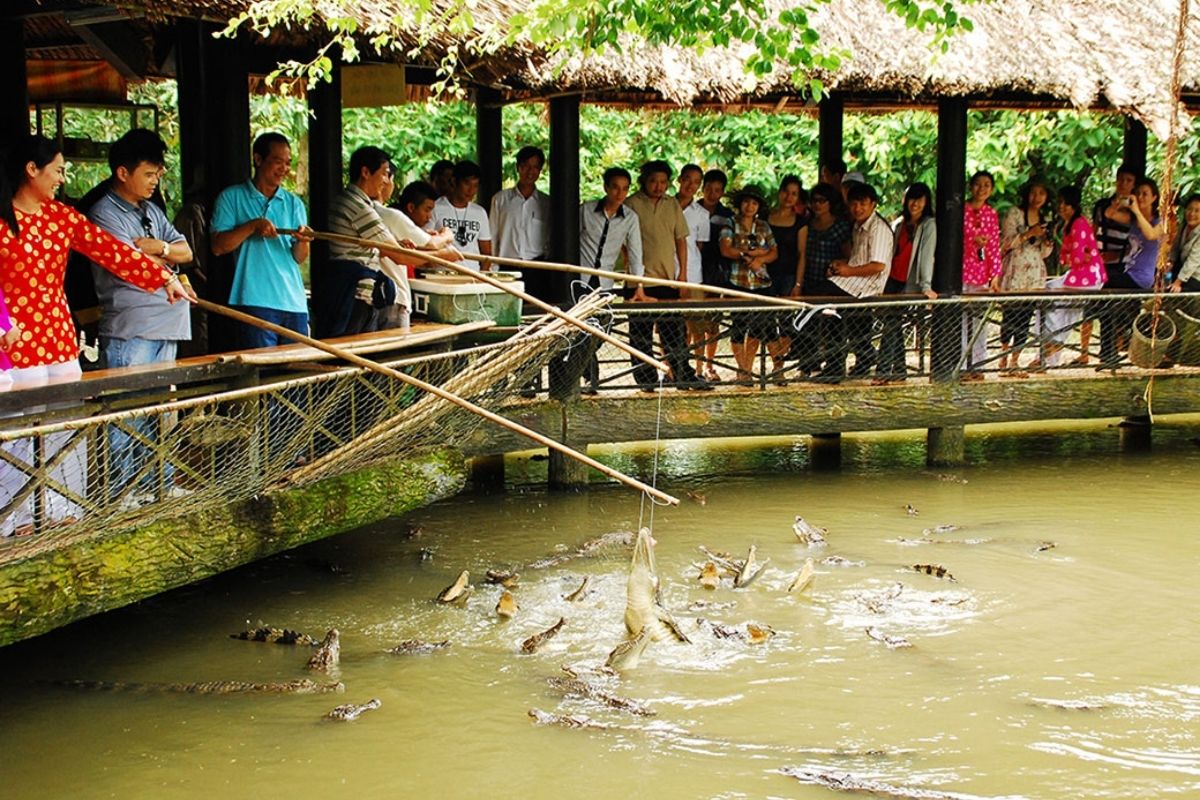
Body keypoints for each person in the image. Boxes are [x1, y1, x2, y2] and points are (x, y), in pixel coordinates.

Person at [0, 134, 192, 535]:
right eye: (58, 170)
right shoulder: (2, 220)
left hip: (58, 335)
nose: (62, 178)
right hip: (13, 341)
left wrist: (162, 279)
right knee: (17, 427)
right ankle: (15, 516)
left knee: (65, 424)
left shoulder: (62, 217)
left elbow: (113, 252)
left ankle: (59, 507)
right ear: (31, 170)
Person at [87, 129, 195, 501]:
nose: (154, 182)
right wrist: (162, 259)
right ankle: (121, 492)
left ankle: (158, 485)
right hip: (130, 325)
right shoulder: (104, 212)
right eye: (148, 174)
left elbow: (187, 253)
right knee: (124, 413)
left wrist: (160, 248)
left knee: (159, 410)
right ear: (122, 173)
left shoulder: (152, 210)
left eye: (157, 175)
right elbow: (127, 262)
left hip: (168, 322)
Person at [211, 132, 313, 349]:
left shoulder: (294, 203)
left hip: (294, 301)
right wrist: (252, 226)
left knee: (297, 375)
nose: (284, 169)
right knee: (264, 372)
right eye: (278, 162)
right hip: (254, 299)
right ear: (258, 159)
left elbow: (299, 257)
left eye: (288, 163)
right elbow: (218, 246)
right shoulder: (232, 197)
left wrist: (304, 241)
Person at [624, 159, 711, 391]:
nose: (658, 186)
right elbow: (623, 243)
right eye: (653, 181)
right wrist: (633, 275)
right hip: (638, 280)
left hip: (667, 279)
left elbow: (681, 240)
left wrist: (682, 275)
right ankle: (646, 380)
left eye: (663, 182)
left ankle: (683, 376)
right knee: (640, 334)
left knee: (674, 331)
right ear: (644, 181)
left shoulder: (672, 204)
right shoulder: (631, 203)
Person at [322, 146, 413, 337]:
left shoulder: (360, 204)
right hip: (352, 297)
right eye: (384, 174)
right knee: (351, 356)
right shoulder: (356, 206)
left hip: (362, 296)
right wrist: (441, 255)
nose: (387, 182)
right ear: (365, 172)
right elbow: (399, 255)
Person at [578, 167, 644, 391]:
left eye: (625, 189)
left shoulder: (630, 218)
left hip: (605, 281)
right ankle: (590, 378)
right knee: (580, 329)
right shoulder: (586, 210)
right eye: (615, 187)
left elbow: (636, 254)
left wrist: (639, 287)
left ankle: (586, 372)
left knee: (603, 329)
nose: (620, 193)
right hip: (579, 278)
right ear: (606, 187)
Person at [1035, 185, 1106, 368]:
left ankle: (1051, 350)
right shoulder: (1069, 225)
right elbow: (1071, 257)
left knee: (1052, 296)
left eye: (1067, 204)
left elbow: (1076, 256)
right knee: (1049, 294)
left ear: (1074, 206)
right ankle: (1049, 353)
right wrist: (1078, 257)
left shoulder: (1079, 223)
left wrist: (1079, 257)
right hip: (1079, 274)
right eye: (1061, 204)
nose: (1062, 208)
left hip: (1088, 277)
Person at [1097, 176, 1162, 367]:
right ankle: (1108, 352)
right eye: (1138, 193)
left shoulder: (1162, 220)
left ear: (1154, 198)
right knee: (1106, 305)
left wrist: (1136, 211)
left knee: (1107, 285)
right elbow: (1108, 214)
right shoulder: (1132, 218)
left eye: (1145, 194)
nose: (1141, 197)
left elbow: (1150, 234)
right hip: (1128, 271)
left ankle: (1110, 349)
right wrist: (1120, 201)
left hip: (1142, 277)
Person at [876, 182, 937, 384]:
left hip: (909, 282)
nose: (915, 203)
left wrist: (926, 286)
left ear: (926, 201)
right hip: (892, 279)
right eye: (912, 198)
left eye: (920, 199)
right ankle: (900, 370)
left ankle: (883, 373)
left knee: (891, 324)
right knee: (892, 324)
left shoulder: (928, 225)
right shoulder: (900, 224)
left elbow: (927, 256)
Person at [719, 184, 778, 382]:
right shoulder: (730, 223)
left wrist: (760, 259)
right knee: (738, 327)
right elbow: (726, 250)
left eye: (754, 203)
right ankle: (742, 370)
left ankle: (751, 370)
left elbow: (774, 252)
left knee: (762, 328)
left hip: (761, 284)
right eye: (746, 202)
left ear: (759, 206)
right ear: (739, 203)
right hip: (738, 282)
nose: (749, 206)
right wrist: (752, 255)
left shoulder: (763, 226)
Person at [792, 182, 851, 375]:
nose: (817, 205)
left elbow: (849, 256)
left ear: (830, 203)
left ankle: (835, 367)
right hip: (809, 280)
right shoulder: (807, 224)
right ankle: (808, 364)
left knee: (834, 325)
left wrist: (837, 265)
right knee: (807, 323)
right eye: (814, 201)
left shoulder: (840, 227)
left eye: (822, 201)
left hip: (832, 285)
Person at [997, 178, 1053, 376]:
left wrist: (1047, 241)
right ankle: (1002, 358)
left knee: (1024, 317)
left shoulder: (1045, 217)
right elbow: (1006, 243)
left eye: (1041, 194)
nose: (1037, 198)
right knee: (1010, 315)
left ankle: (1015, 360)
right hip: (1015, 271)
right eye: (1033, 193)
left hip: (1035, 274)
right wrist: (1029, 233)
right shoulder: (1015, 213)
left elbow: (1045, 253)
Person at [490, 146, 551, 297]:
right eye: (525, 166)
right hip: (507, 267)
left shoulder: (546, 203)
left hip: (536, 269)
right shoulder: (500, 199)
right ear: (518, 167)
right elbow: (492, 235)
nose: (530, 172)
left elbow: (550, 238)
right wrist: (493, 268)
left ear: (540, 170)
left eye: (535, 167)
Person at [960, 170, 1002, 379]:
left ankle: (978, 366)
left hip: (981, 275)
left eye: (986, 185)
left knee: (979, 324)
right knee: (960, 323)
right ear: (970, 187)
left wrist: (994, 275)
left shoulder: (991, 214)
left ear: (991, 189)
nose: (982, 189)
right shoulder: (961, 211)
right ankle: (959, 365)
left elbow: (994, 246)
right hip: (960, 273)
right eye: (978, 184)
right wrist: (972, 242)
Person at [675, 165, 714, 382]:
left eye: (696, 181)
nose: (691, 185)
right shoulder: (666, 206)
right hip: (667, 273)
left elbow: (698, 246)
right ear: (680, 180)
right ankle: (670, 368)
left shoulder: (702, 214)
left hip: (693, 275)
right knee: (670, 327)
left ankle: (698, 369)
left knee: (696, 325)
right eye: (687, 179)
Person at [766, 176, 805, 380]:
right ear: (779, 192)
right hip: (765, 274)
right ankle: (776, 365)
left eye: (794, 193)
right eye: (786, 192)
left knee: (786, 321)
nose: (789, 197)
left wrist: (798, 283)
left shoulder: (800, 222)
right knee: (767, 321)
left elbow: (802, 254)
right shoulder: (766, 216)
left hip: (789, 275)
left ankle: (780, 365)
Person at [695, 169, 733, 380]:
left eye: (717, 190)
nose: (712, 193)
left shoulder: (727, 215)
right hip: (693, 269)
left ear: (722, 192)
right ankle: (695, 367)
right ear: (703, 188)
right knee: (693, 322)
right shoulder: (692, 208)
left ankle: (710, 366)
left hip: (717, 272)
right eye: (708, 188)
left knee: (713, 322)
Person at [431, 160, 492, 262]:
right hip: (442, 273)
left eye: (475, 186)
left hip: (472, 274)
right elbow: (427, 244)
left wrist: (481, 275)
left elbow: (486, 252)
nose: (471, 190)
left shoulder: (480, 212)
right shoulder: (435, 208)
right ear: (454, 182)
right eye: (467, 183)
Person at [1169, 193, 1200, 293]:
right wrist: (1170, 263)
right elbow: (1175, 249)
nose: (1192, 214)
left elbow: (1193, 261)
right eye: (1189, 209)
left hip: (1196, 275)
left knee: (1178, 289)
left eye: (1197, 211)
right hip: (1182, 269)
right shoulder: (1183, 227)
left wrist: (1178, 282)